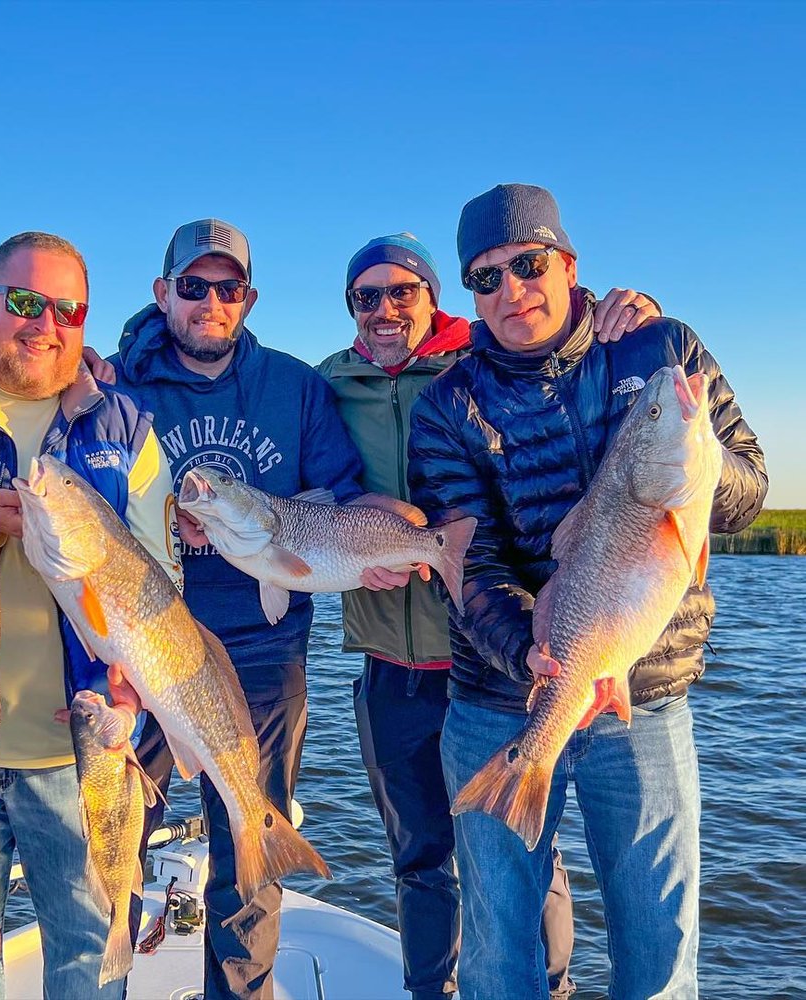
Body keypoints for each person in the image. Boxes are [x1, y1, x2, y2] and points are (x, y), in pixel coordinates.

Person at [407, 183, 768, 1000]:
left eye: (527, 265)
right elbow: (471, 557)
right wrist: (527, 653)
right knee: (499, 948)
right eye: (484, 278)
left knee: (656, 939)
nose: (510, 291)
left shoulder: (659, 350)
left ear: (568, 265)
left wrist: (695, 477)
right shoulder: (446, 407)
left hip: (644, 698)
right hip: (499, 700)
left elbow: (749, 487)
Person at [317, 234, 660, 1000]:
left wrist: (628, 313)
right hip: (390, 664)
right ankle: (429, 989)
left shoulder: (482, 362)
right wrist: (129, 349)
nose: (383, 310)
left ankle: (555, 985)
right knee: (418, 858)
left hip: (489, 665)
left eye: (401, 291)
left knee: (521, 847)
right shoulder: (327, 384)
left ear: (435, 296)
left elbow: (566, 341)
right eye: (364, 297)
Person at [0, 231, 181, 999]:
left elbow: (156, 577)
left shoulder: (124, 425)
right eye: (23, 302)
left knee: (90, 963)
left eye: (65, 307)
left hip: (74, 751)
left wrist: (138, 685)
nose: (42, 323)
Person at [111, 219, 364, 999]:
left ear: (247, 299)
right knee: (115, 836)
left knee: (248, 840)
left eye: (229, 289)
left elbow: (340, 500)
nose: (210, 304)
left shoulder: (295, 386)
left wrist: (375, 553)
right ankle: (101, 982)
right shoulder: (119, 384)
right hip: (140, 641)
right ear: (164, 294)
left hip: (264, 645)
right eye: (193, 288)